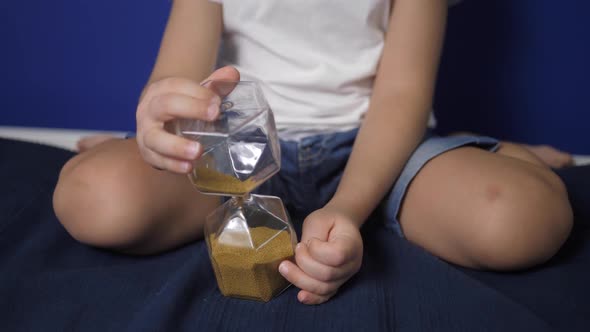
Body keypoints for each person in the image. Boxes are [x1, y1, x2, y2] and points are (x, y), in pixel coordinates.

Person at [53, 0, 573, 305]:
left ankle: (486, 149)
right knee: (92, 197)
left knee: (523, 220)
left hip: (374, 148)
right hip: (242, 150)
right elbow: (179, 77)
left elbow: (400, 99)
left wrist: (347, 208)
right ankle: (121, 148)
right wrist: (156, 118)